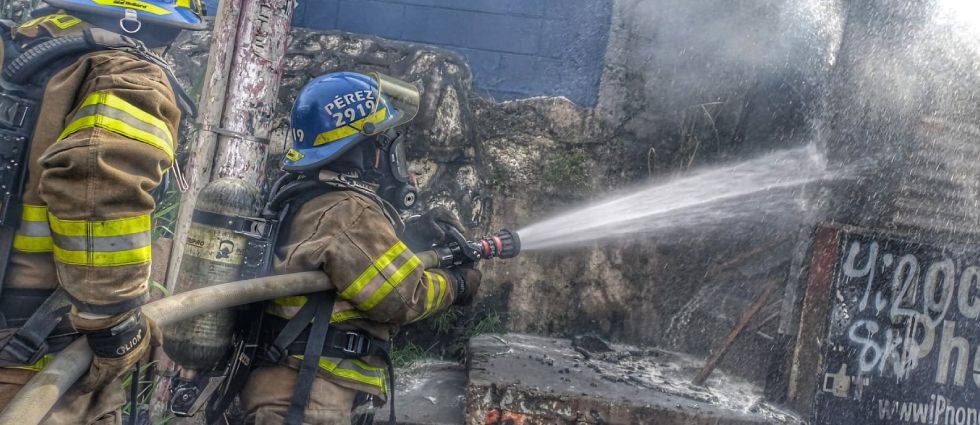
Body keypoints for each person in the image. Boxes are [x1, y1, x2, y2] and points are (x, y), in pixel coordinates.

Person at [0, 1, 205, 424]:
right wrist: (113, 326)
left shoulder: (19, 49)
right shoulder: (124, 76)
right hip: (35, 353)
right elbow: (100, 188)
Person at [239, 71, 482, 425]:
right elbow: (403, 296)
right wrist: (459, 285)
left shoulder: (307, 195)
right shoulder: (349, 212)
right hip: (306, 398)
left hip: (295, 389)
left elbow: (354, 260)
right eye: (386, 140)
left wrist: (411, 231)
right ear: (367, 148)